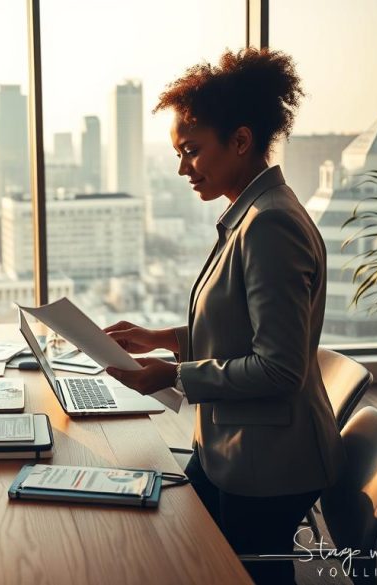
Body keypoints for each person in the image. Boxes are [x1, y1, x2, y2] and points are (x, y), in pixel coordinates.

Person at [103, 48, 344, 585]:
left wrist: (176, 376)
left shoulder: (269, 225)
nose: (183, 167)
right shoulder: (249, 214)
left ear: (240, 141)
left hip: (267, 464)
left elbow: (279, 368)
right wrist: (165, 338)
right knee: (174, 542)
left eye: (192, 151)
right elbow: (242, 327)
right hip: (232, 445)